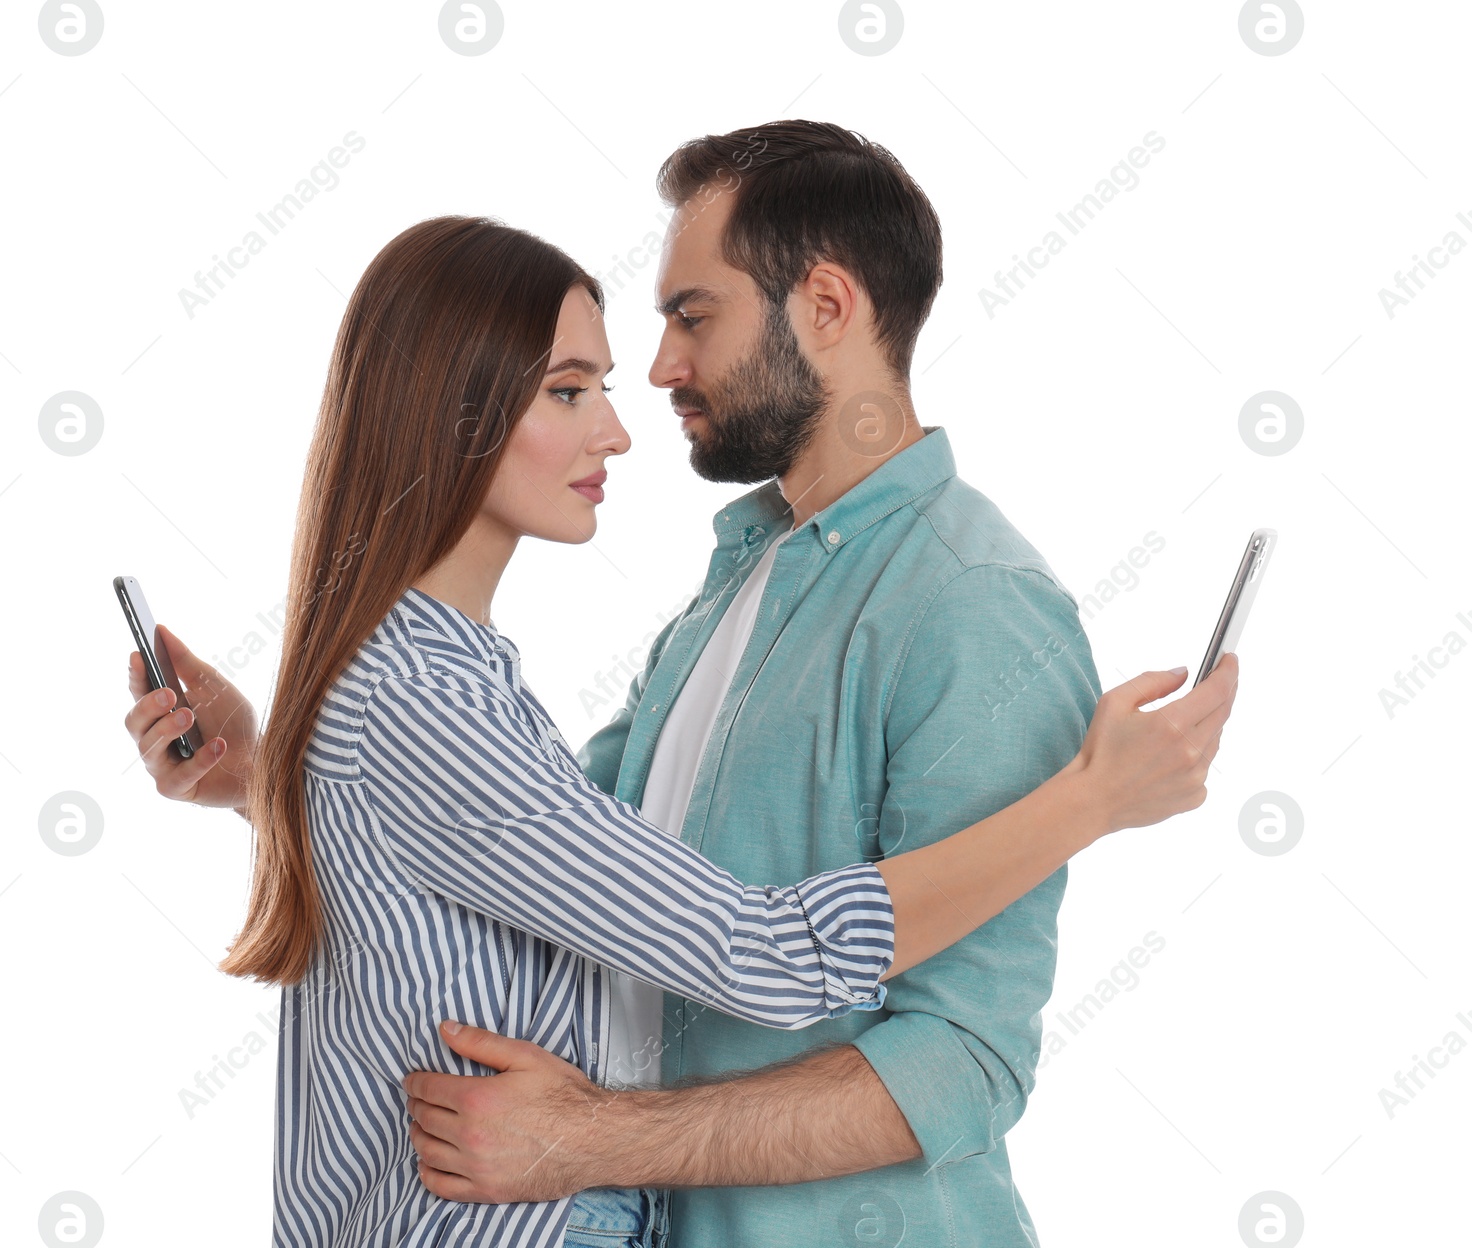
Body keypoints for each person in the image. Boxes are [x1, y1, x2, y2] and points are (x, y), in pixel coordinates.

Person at [122, 134, 1239, 1248]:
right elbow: (534, 867)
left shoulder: (972, 601)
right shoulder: (731, 588)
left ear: (827, 306)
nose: (656, 374)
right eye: (579, 383)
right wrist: (284, 777)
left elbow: (964, 1059)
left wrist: (598, 1140)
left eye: (692, 316)